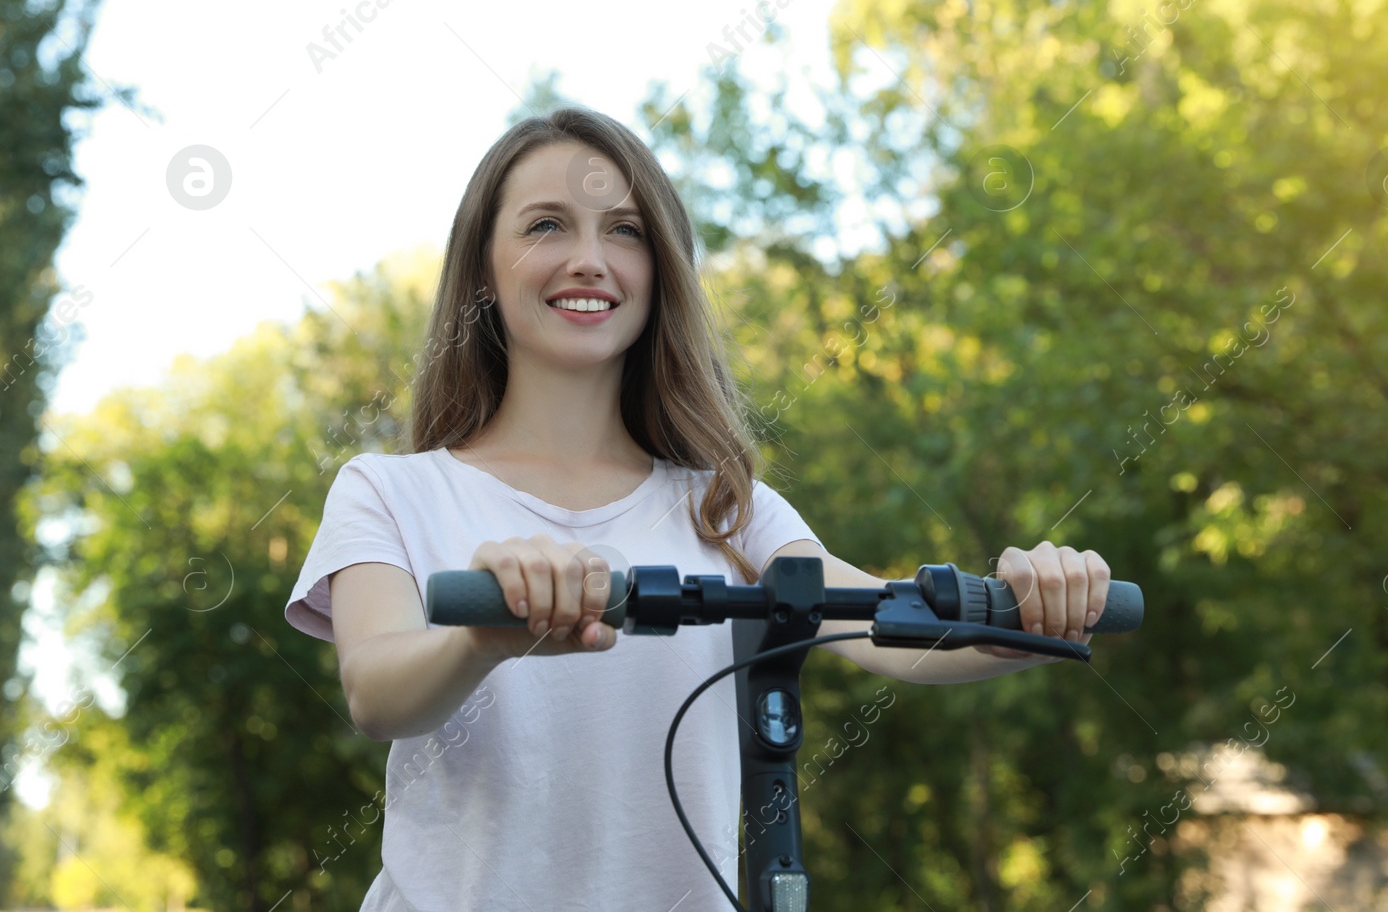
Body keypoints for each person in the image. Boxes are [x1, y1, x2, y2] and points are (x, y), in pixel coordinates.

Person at [283, 106, 1114, 911]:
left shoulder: (726, 507)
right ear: (482, 270)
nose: (589, 259)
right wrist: (483, 639)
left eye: (625, 230)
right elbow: (377, 688)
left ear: (660, 270)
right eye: (545, 226)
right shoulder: (388, 489)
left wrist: (1038, 608)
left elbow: (891, 635)